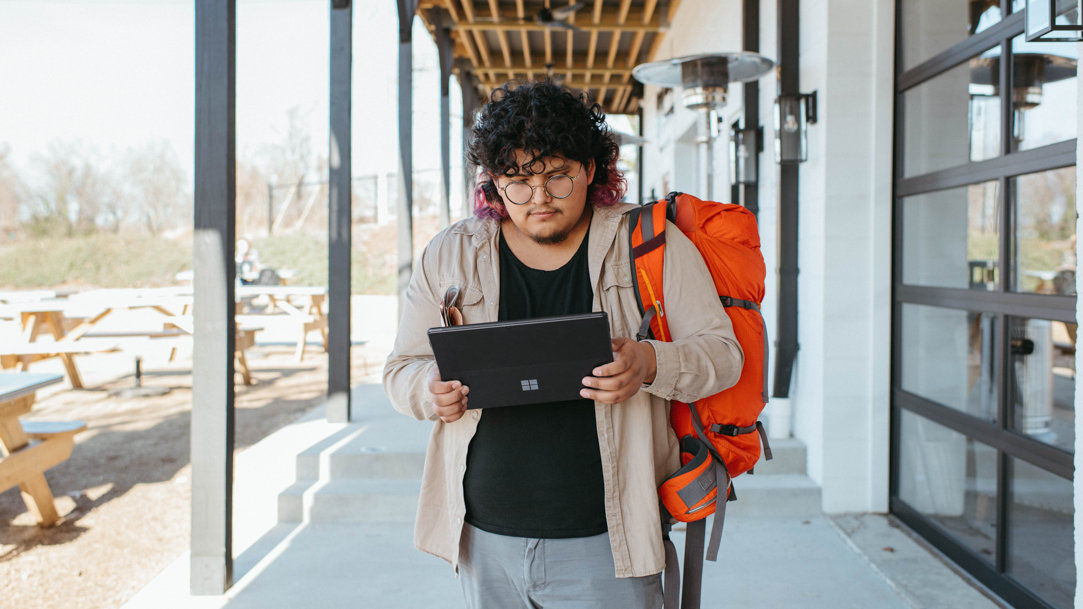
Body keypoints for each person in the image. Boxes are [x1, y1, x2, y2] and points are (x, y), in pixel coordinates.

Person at [383, 80, 743, 609]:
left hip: (610, 544)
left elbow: (722, 355)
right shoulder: (452, 253)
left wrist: (648, 362)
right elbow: (401, 369)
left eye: (557, 176)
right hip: (484, 542)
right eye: (518, 181)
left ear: (592, 169)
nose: (541, 198)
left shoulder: (650, 245)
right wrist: (427, 388)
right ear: (494, 184)